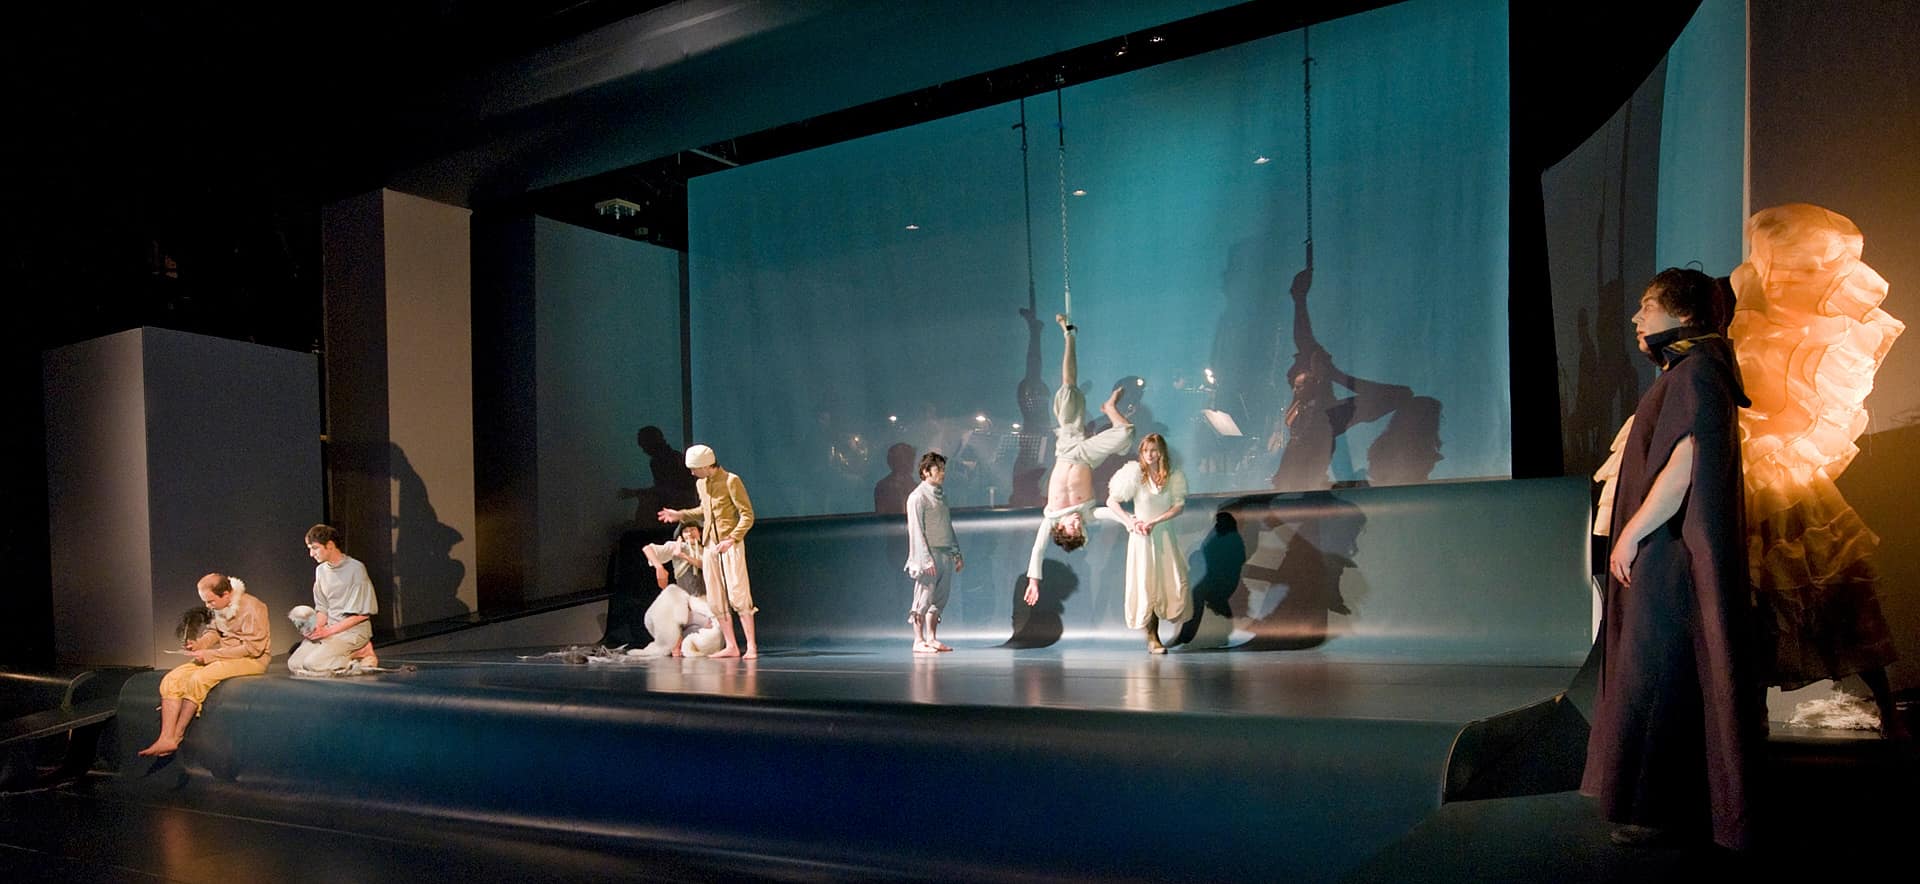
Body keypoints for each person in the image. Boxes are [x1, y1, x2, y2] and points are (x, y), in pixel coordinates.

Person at [1582, 268, 1760, 851]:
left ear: (1683, 314)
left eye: (1648, 305)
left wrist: (1632, 533)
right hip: (1668, 548)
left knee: (1656, 672)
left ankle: (1656, 809)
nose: (1637, 317)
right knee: (1665, 670)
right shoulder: (1697, 369)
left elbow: (1685, 462)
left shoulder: (1697, 371)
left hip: (1669, 551)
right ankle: (1668, 806)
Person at [1727, 204, 1905, 739]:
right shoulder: (1743, 306)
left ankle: (1887, 708)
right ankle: (1752, 717)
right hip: (1752, 465)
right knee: (1758, 596)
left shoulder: (1808, 324)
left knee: (1829, 585)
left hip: (1782, 469)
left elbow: (1813, 393)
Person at [1024, 313, 1135, 606]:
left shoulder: (1051, 517)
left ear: (1061, 529)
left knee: (1068, 385)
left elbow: (1038, 549)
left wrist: (1034, 580)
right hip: (1086, 455)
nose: (1076, 522)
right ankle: (1109, 407)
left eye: (1072, 527)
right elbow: (1110, 513)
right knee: (1126, 433)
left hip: (1067, 444)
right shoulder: (1087, 515)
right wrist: (1130, 522)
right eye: (1079, 528)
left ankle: (1069, 334)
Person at [138, 573, 271, 757]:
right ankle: (165, 737)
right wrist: (199, 644)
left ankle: (176, 735)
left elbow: (253, 649)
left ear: (226, 594)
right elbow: (214, 631)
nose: (208, 606)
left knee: (199, 678)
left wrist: (210, 655)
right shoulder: (220, 606)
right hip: (224, 655)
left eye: (211, 601)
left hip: (252, 660)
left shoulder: (253, 608)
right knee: (172, 679)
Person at [658, 444, 759, 658]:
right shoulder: (701, 484)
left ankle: (751, 646)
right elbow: (704, 511)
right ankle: (731, 646)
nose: (692, 473)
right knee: (716, 596)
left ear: (705, 465)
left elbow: (747, 515)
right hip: (711, 544)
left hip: (730, 543)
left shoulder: (731, 481)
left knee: (738, 593)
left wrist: (732, 538)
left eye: (694, 469)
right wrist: (680, 515)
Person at [1104, 434, 1190, 653]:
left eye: (1153, 450)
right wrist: (1130, 521)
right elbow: (1111, 501)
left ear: (1161, 452)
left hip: (1163, 536)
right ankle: (1152, 638)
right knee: (1145, 583)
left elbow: (1178, 507)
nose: (1149, 455)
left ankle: (1163, 631)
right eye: (1145, 451)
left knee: (1167, 581)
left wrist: (1155, 521)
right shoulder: (1134, 474)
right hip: (1142, 537)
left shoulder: (1173, 476)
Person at [288, 524, 380, 677]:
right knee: (294, 663)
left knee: (314, 664)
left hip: (352, 631)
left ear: (330, 545)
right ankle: (344, 657)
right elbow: (322, 608)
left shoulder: (356, 569)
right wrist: (315, 629)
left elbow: (361, 615)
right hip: (331, 629)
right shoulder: (321, 571)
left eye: (315, 548)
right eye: (310, 549)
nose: (311, 554)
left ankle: (360, 652)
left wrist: (328, 631)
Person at [634, 524, 724, 657]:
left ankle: (690, 644)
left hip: (702, 603)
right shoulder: (678, 546)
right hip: (684, 602)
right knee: (671, 604)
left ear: (699, 532)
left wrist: (683, 556)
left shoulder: (707, 550)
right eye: (686, 531)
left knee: (714, 628)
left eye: (692, 530)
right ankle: (676, 643)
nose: (690, 533)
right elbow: (648, 549)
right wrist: (659, 567)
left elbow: (705, 566)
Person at [904, 451, 963, 653]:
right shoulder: (917, 497)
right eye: (939, 469)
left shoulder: (942, 496)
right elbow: (916, 530)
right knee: (923, 597)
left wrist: (956, 553)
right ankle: (918, 640)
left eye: (943, 469)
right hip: (928, 555)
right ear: (926, 471)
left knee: (939, 598)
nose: (943, 473)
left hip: (944, 553)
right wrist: (924, 559)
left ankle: (931, 637)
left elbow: (947, 525)